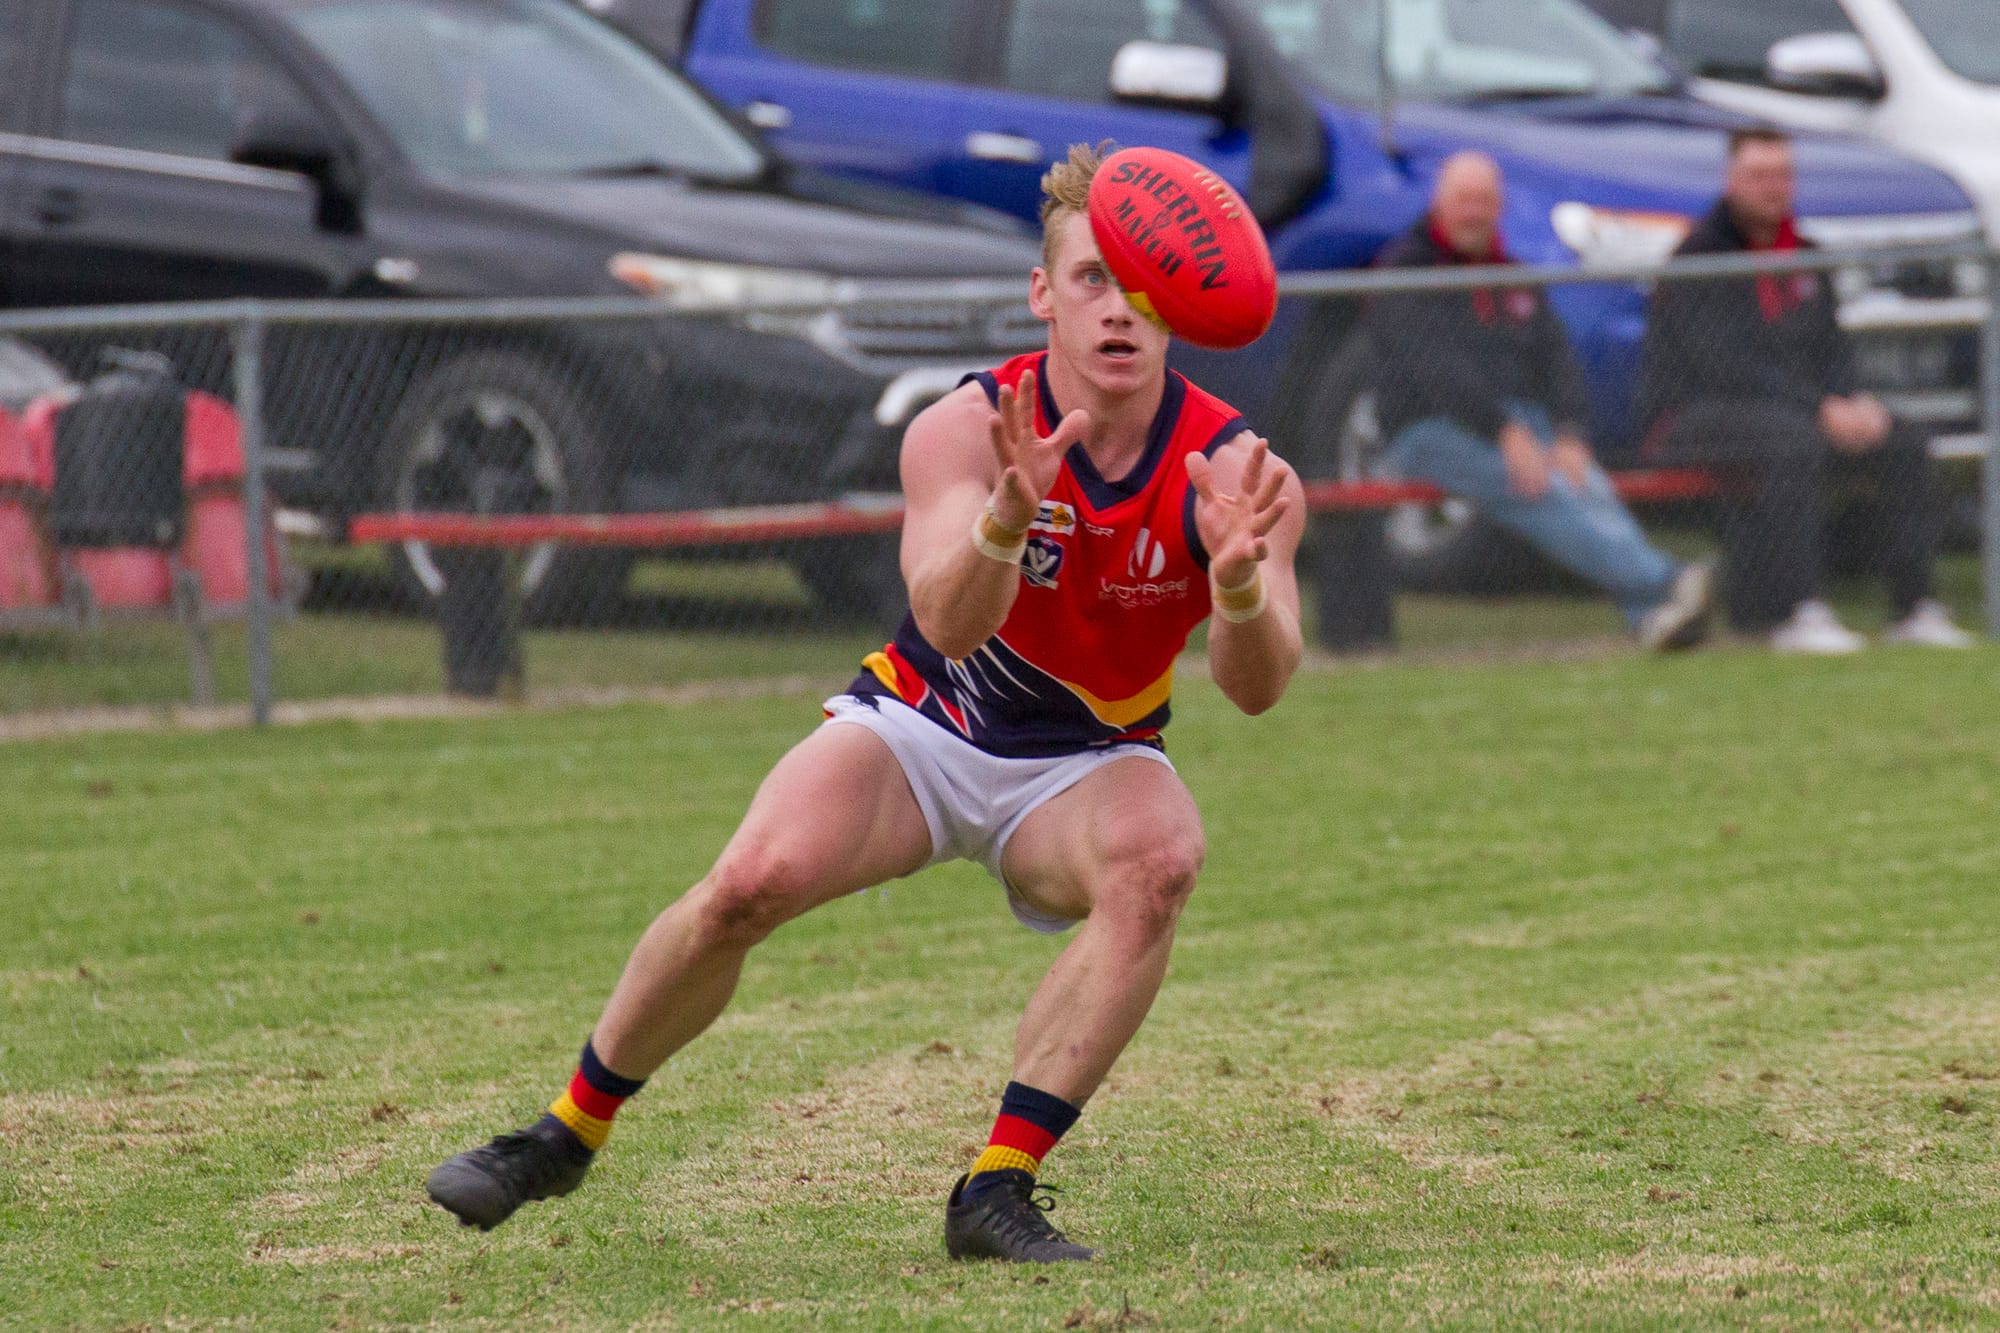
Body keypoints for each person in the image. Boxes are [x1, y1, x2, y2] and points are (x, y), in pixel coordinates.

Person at [422, 142, 1307, 1264]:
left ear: (1179, 301)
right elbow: (945, 624)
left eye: (1142, 286)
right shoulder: (961, 429)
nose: (1118, 310)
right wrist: (1005, 521)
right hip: (921, 728)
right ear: (1042, 292)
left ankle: (995, 1188)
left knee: (1159, 859)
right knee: (746, 885)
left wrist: (1234, 581)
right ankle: (563, 1133)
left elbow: (1259, 685)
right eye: (1091, 279)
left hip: (1085, 759)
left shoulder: (1229, 469)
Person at [1636, 126, 1973, 653]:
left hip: (1796, 410)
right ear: (1731, 180)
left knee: (1904, 440)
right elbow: (1722, 364)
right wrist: (1819, 408)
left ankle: (1915, 609)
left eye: (1783, 175)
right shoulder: (1700, 256)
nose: (1774, 187)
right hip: (1694, 414)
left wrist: (1852, 400)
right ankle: (1795, 611)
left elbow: (1832, 350)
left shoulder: (1808, 254)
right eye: (1760, 175)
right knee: (1792, 442)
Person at [1366, 152, 1715, 652]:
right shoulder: (1404, 270)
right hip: (1427, 429)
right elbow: (1435, 371)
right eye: (1464, 200)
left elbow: (1558, 360)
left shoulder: (1512, 273)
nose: (1474, 212)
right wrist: (1504, 433)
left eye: (1485, 201)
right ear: (1439, 203)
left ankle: (1652, 617)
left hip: (1520, 423)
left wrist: (1570, 432)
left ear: (1500, 206)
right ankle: (1667, 580)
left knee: (1585, 483)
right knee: (1539, 488)